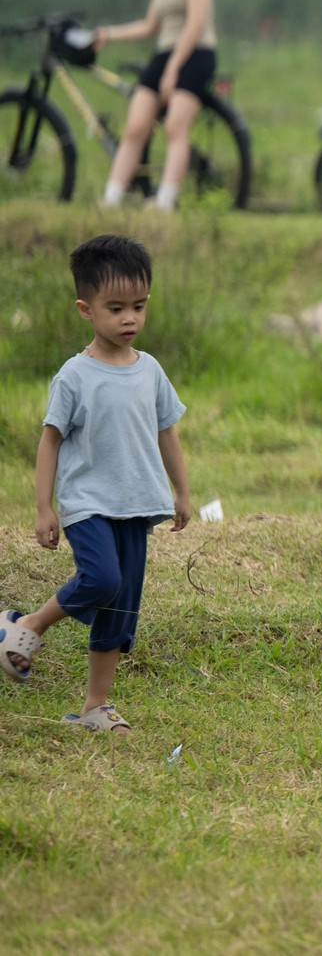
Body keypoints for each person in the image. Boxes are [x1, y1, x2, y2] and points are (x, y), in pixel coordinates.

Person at [0, 236, 193, 734]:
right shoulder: (74, 376)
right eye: (116, 308)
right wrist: (44, 508)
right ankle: (25, 627)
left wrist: (182, 493)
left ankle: (94, 708)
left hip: (138, 505)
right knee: (102, 580)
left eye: (139, 306)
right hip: (88, 504)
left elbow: (166, 431)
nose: (129, 318)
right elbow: (50, 442)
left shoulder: (150, 370)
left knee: (121, 606)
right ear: (86, 309)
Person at [92, 0, 218, 210]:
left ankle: (164, 203)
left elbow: (195, 24)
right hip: (165, 52)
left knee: (176, 126)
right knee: (136, 125)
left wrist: (173, 69)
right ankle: (111, 197)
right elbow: (150, 26)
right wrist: (109, 34)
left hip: (196, 53)